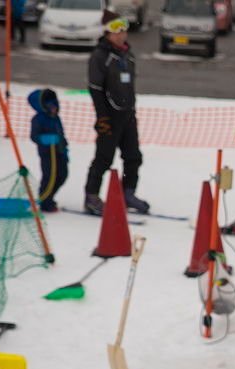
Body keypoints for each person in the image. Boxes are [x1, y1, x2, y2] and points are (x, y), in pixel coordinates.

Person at [84, 10, 149, 215]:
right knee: (104, 158)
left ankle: (127, 193)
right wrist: (102, 117)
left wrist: (131, 108)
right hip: (109, 116)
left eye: (123, 29)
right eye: (115, 30)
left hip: (127, 114)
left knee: (133, 157)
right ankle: (91, 196)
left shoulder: (128, 55)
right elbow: (95, 89)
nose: (120, 34)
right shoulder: (100, 56)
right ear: (106, 33)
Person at [29, 88, 68, 212]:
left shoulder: (56, 118)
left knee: (62, 175)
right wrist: (46, 139)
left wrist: (64, 146)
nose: (54, 108)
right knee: (50, 176)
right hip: (47, 154)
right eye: (51, 106)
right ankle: (45, 200)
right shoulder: (38, 119)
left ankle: (49, 197)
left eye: (55, 105)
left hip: (60, 152)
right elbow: (34, 136)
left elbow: (61, 133)